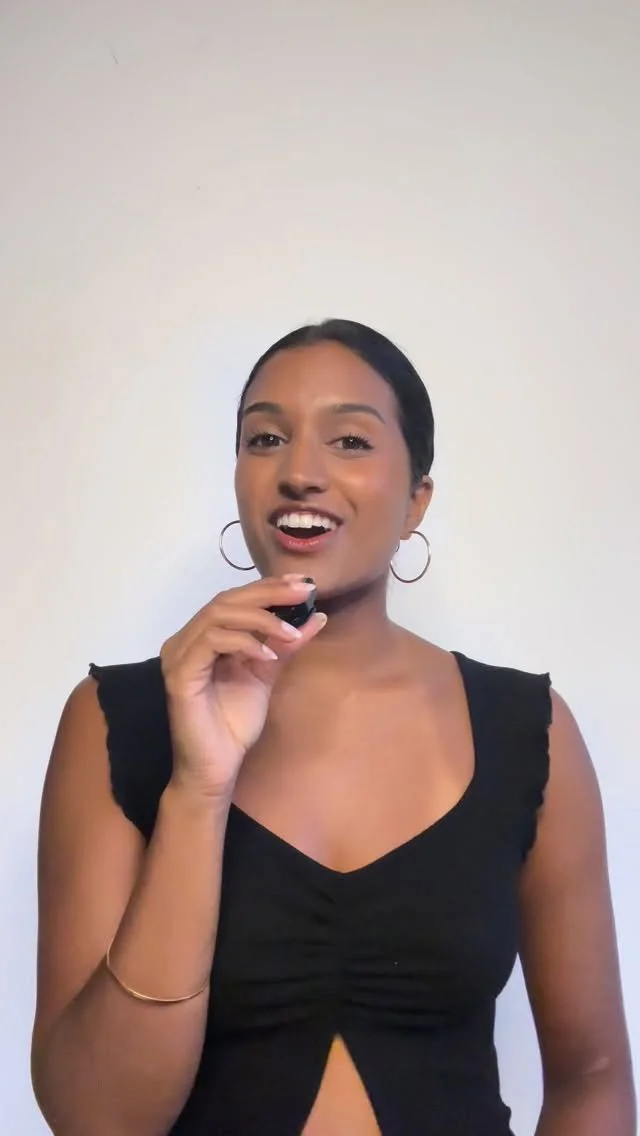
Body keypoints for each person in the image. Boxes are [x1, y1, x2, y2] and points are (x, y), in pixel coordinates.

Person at [32, 319, 635, 1136]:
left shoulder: (529, 731)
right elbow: (98, 1118)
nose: (300, 473)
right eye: (266, 439)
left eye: (350, 440)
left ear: (416, 499)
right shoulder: (116, 720)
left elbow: (594, 1076)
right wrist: (199, 789)